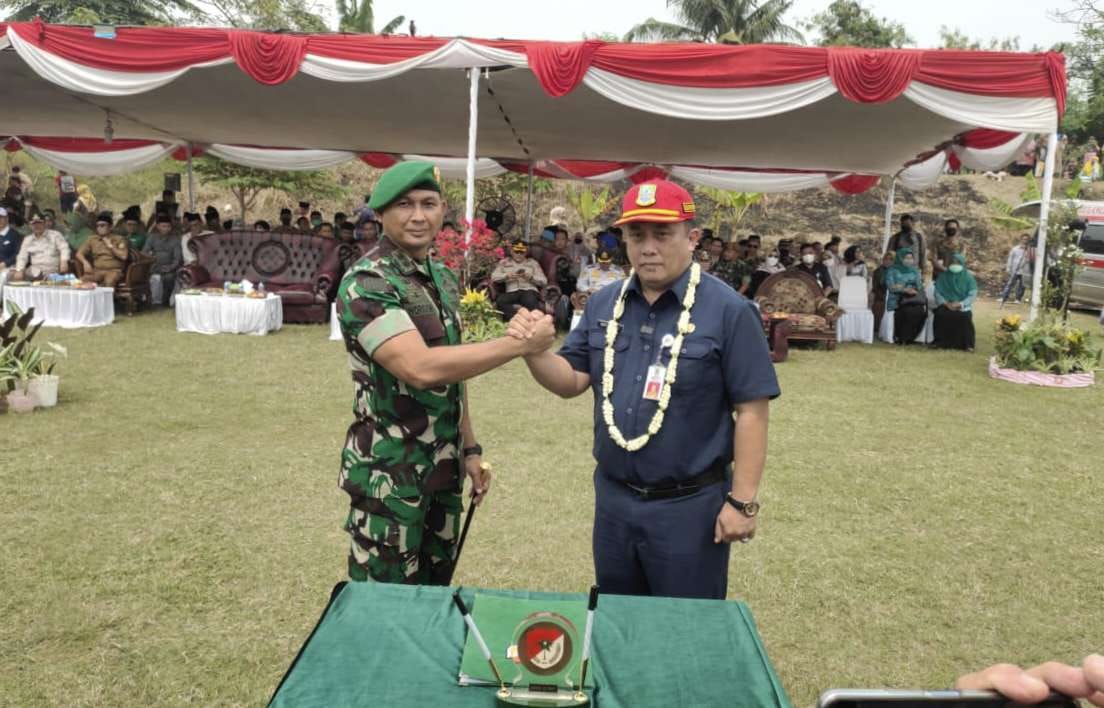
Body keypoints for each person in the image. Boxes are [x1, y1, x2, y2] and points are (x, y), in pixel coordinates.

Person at [507, 179, 780, 600]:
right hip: (614, 501)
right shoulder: (604, 304)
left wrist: (742, 502)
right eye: (637, 235)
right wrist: (533, 352)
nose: (648, 247)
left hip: (689, 508)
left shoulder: (730, 311)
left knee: (685, 629)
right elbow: (572, 380)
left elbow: (752, 411)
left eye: (662, 234)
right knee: (618, 619)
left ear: (692, 239)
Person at [334, 160, 552, 584]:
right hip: (390, 477)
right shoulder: (368, 282)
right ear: (380, 214)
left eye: (429, 203)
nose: (419, 216)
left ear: (442, 211)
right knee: (385, 603)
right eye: (405, 205)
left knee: (434, 594)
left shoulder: (443, 278)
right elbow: (419, 368)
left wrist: (470, 450)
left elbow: (453, 372)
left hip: (442, 470)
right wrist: (517, 345)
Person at [931, 253, 978, 351]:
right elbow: (937, 292)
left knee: (965, 317)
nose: (955, 265)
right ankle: (940, 343)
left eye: (957, 263)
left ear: (962, 264)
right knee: (940, 314)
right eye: (953, 262)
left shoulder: (968, 278)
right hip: (946, 304)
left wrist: (961, 304)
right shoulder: (943, 276)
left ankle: (967, 345)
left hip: (962, 305)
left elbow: (972, 294)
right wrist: (945, 303)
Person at [492, 240, 547, 320]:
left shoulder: (533, 263)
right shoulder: (504, 262)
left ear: (526, 252)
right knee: (500, 301)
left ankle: (533, 322)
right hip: (512, 291)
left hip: (529, 290)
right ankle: (516, 320)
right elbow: (494, 277)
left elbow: (544, 281)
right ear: (511, 251)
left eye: (522, 252)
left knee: (530, 300)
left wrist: (531, 278)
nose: (519, 254)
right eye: (516, 252)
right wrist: (506, 276)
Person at [76, 212, 130, 287]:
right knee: (80, 281)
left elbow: (124, 256)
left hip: (113, 271)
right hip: (97, 271)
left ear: (110, 227)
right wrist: (85, 262)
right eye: (97, 226)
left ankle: (110, 299)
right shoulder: (92, 239)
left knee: (109, 281)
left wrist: (110, 246)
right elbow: (79, 253)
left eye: (102, 225)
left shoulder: (119, 239)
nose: (99, 228)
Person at [885, 247, 926, 345]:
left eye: (911, 258)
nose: (909, 260)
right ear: (900, 258)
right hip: (897, 299)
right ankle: (902, 337)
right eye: (906, 258)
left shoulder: (915, 270)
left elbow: (919, 286)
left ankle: (911, 337)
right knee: (906, 312)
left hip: (913, 298)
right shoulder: (892, 270)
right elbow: (891, 287)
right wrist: (904, 289)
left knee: (919, 311)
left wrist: (910, 288)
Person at [11, 214, 70, 281]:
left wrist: (64, 261)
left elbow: (64, 248)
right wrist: (19, 270)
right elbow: (22, 256)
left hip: (52, 271)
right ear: (30, 226)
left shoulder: (55, 235)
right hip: (34, 271)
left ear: (45, 223)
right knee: (11, 274)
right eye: (33, 224)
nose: (36, 226)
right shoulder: (28, 239)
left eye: (39, 223)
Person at [142, 214, 183, 306]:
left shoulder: (175, 239)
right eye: (163, 226)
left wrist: (170, 267)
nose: (166, 228)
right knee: (153, 277)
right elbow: (144, 252)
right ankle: (152, 302)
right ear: (157, 226)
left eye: (168, 226)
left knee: (169, 278)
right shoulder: (152, 237)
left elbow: (177, 258)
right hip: (154, 266)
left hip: (169, 267)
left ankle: (165, 301)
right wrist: (150, 258)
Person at [886, 214, 927, 281]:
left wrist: (923, 272)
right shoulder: (895, 238)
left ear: (912, 223)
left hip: (914, 272)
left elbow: (922, 255)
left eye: (907, 223)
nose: (905, 225)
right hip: (899, 272)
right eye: (903, 223)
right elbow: (889, 255)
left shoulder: (919, 237)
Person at [1004, 234, 1033, 303]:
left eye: (1026, 239)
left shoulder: (1030, 250)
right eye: (1024, 239)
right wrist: (1008, 268)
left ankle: (1018, 299)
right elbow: (1010, 259)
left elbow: (1032, 260)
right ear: (1021, 239)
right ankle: (1004, 297)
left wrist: (1028, 257)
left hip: (1024, 270)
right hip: (1015, 270)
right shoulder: (1015, 249)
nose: (1025, 241)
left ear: (1028, 240)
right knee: (1010, 283)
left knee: (1022, 286)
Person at [871, 251, 894, 333]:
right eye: (886, 259)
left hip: (894, 296)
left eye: (891, 259)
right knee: (879, 305)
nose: (888, 261)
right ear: (883, 260)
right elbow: (875, 288)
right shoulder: (877, 272)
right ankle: (877, 329)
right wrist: (884, 297)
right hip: (881, 296)